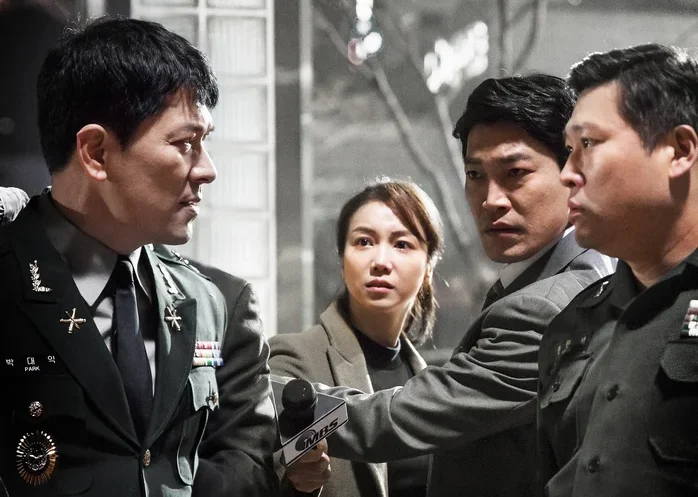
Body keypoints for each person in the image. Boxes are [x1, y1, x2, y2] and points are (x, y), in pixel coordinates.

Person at [284, 74, 615, 497]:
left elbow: (397, 418)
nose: (492, 199)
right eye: (475, 174)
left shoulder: (546, 306)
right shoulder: (588, 272)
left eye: (515, 173)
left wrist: (265, 400)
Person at [0, 17, 276, 497]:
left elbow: (243, 462)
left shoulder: (209, 302)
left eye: (205, 143)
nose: (208, 170)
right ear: (96, 152)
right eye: (185, 144)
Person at [537, 43, 698, 497]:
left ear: (679, 150)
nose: (567, 174)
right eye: (568, 150)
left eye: (588, 144)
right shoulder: (572, 326)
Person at [270, 179, 444, 497]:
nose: (380, 262)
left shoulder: (429, 381)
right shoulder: (294, 358)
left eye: (402, 244)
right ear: (342, 259)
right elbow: (266, 473)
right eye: (364, 242)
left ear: (429, 266)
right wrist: (299, 480)